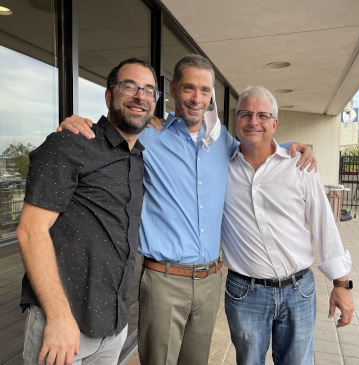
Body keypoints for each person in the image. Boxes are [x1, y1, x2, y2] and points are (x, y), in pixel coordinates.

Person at [59, 54, 316, 365]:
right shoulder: (148, 135)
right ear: (173, 89)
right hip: (163, 280)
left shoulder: (223, 142)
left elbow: (258, 148)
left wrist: (293, 146)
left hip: (210, 282)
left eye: (205, 90)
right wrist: (80, 121)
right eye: (189, 88)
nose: (197, 98)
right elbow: (115, 126)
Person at [17, 58, 160, 365]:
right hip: (64, 326)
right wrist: (57, 318)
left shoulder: (137, 158)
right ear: (109, 96)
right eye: (129, 86)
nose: (140, 96)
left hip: (112, 326)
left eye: (149, 91)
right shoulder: (70, 144)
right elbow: (31, 231)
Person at [221, 86, 354, 365]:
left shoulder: (300, 165)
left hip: (299, 291)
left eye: (262, 115)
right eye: (245, 114)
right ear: (235, 120)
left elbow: (324, 225)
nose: (253, 121)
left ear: (275, 123)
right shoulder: (220, 167)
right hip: (245, 293)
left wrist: (341, 284)